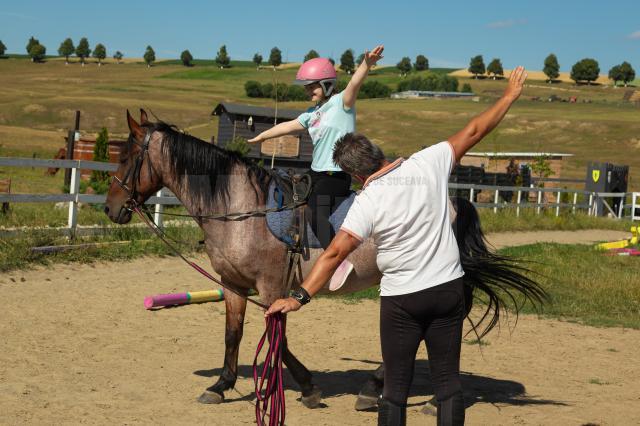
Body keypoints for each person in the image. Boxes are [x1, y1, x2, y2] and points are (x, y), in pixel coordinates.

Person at [266, 67, 529, 425]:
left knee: (396, 390)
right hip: (448, 290)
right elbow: (475, 130)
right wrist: (509, 96)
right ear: (378, 152)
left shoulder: (367, 199)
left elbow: (334, 253)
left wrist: (298, 297)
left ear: (356, 176)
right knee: (449, 386)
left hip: (403, 301)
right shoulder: (428, 162)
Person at [248, 45, 384, 250]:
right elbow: (287, 126)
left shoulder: (342, 103)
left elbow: (355, 83)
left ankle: (335, 261)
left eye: (313, 86)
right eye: (306, 87)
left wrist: (366, 63)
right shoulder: (311, 114)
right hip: (316, 173)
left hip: (336, 175)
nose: (308, 90)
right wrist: (263, 136)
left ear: (328, 84)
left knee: (315, 212)